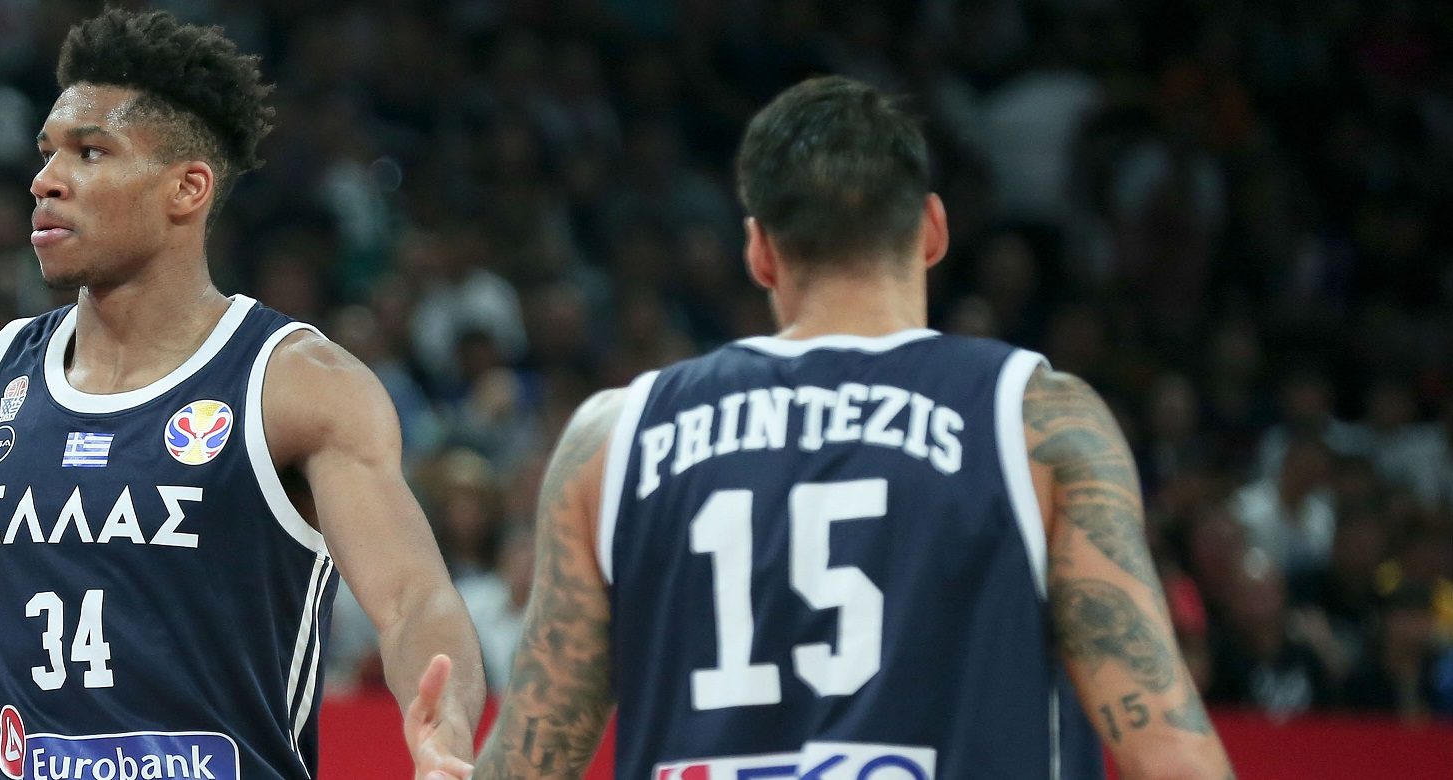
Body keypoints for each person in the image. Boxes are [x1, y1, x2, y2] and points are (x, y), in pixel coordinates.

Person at [0, 10, 484, 780]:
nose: (46, 180)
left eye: (91, 152)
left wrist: (442, 723)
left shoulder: (295, 383)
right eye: (47, 154)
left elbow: (415, 601)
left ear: (187, 189)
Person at [467, 77, 1234, 779]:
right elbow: (1167, 751)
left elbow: (530, 764)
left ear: (759, 252)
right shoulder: (1036, 420)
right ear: (933, 231)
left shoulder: (613, 439)